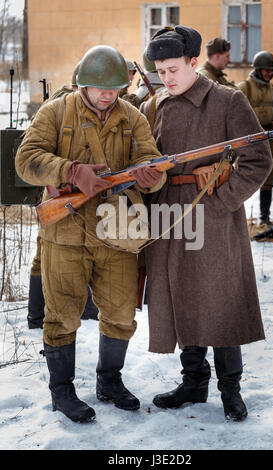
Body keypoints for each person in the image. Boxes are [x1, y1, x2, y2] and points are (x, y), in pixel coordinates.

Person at [15, 45, 165, 423]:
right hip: (64, 235)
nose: (107, 95)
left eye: (114, 88)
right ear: (82, 83)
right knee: (62, 315)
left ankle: (109, 381)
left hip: (116, 234)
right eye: (100, 88)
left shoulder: (133, 118)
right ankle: (62, 391)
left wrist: (151, 175)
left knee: (119, 315)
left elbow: (150, 162)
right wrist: (70, 171)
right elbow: (26, 160)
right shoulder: (57, 112)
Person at [140, 25, 272, 421]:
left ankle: (230, 388)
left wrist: (222, 201)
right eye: (161, 71)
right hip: (169, 215)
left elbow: (258, 160)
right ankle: (193, 382)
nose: (167, 78)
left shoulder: (228, 101)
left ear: (194, 63)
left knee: (220, 299)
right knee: (182, 297)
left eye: (174, 69)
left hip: (213, 215)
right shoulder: (153, 106)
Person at [27, 61, 99, 330]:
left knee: (45, 254)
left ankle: (39, 314)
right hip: (59, 190)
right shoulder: (60, 109)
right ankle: (39, 316)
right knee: (44, 254)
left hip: (61, 190)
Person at [238, 51, 273, 225]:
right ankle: (240, 218)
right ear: (257, 69)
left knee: (268, 181)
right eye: (265, 71)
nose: (269, 74)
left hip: (270, 141)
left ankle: (264, 218)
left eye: (271, 71)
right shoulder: (244, 88)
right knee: (244, 178)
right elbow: (238, 115)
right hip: (250, 142)